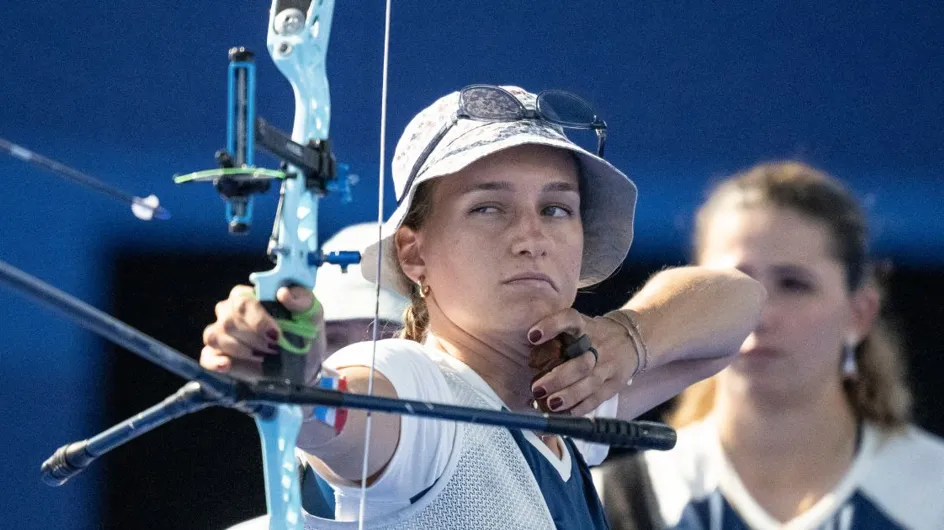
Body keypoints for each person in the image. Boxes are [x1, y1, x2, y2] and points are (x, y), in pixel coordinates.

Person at [202, 85, 765, 528]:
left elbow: (740, 302)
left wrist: (629, 336)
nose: (531, 236)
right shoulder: (417, 385)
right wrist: (299, 382)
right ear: (413, 253)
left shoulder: (570, 400)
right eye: (488, 209)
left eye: (556, 209)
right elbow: (340, 413)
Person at [594, 162, 944, 530]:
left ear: (859, 314)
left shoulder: (933, 493)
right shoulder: (615, 500)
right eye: (731, 287)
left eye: (794, 284)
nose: (758, 315)